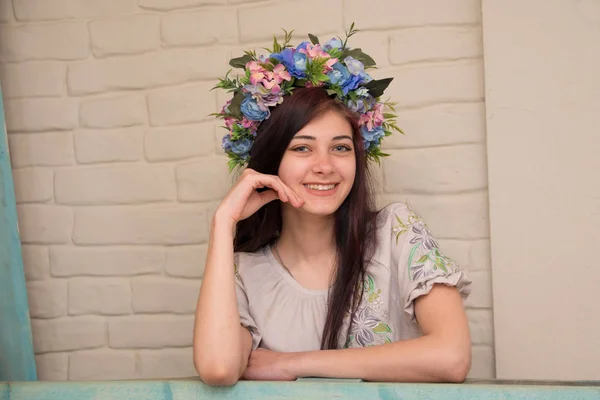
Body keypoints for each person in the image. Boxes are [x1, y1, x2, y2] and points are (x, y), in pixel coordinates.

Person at [193, 27, 472, 386]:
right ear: (269, 163)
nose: (325, 166)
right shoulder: (244, 272)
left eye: (340, 148)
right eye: (302, 148)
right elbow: (218, 369)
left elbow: (452, 357)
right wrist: (223, 223)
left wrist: (290, 364)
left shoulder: (397, 233)